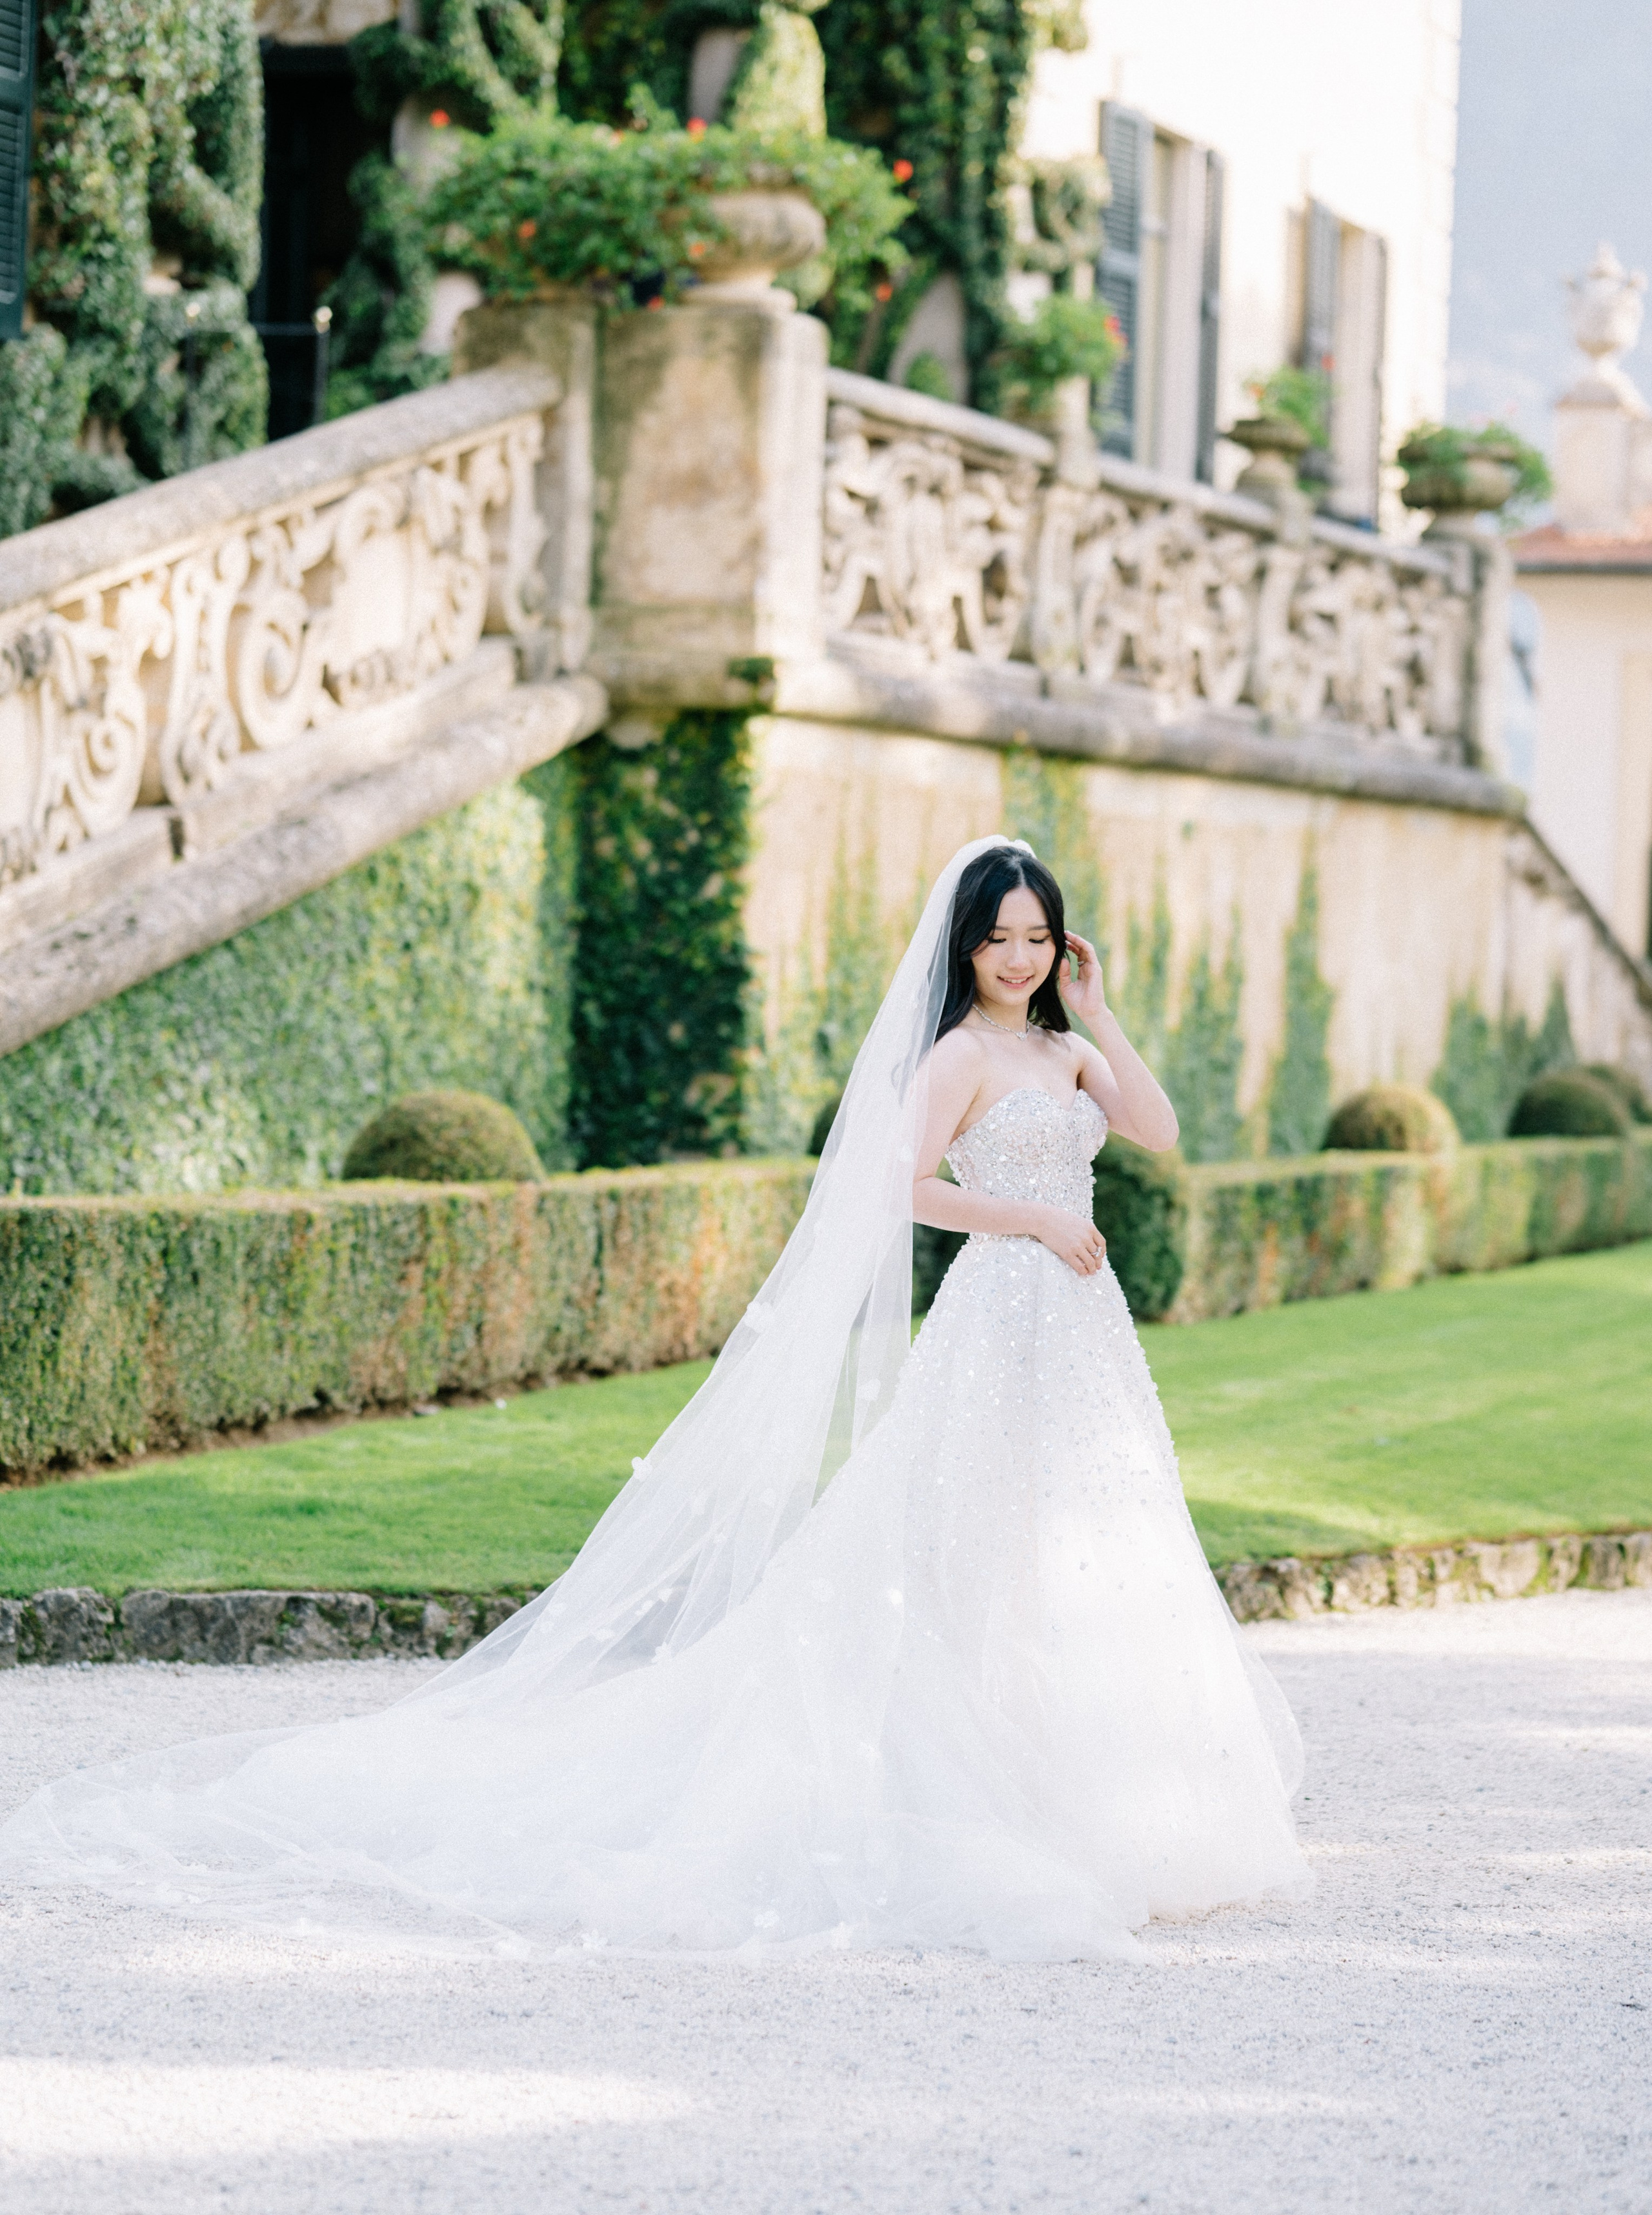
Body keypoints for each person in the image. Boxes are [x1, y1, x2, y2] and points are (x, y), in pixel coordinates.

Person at [0, 836, 1309, 1959]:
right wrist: (1022, 1216)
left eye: (1036, 940)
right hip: (999, 1309)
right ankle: (983, 1785)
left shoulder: (1068, 1052)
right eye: (999, 941)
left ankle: (1088, 1790)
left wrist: (1103, 1007)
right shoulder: (957, 1057)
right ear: (964, 950)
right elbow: (901, 1190)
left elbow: (1156, 1129)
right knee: (960, 1541)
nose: (1017, 960)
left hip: (1079, 1337)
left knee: (1082, 1546)